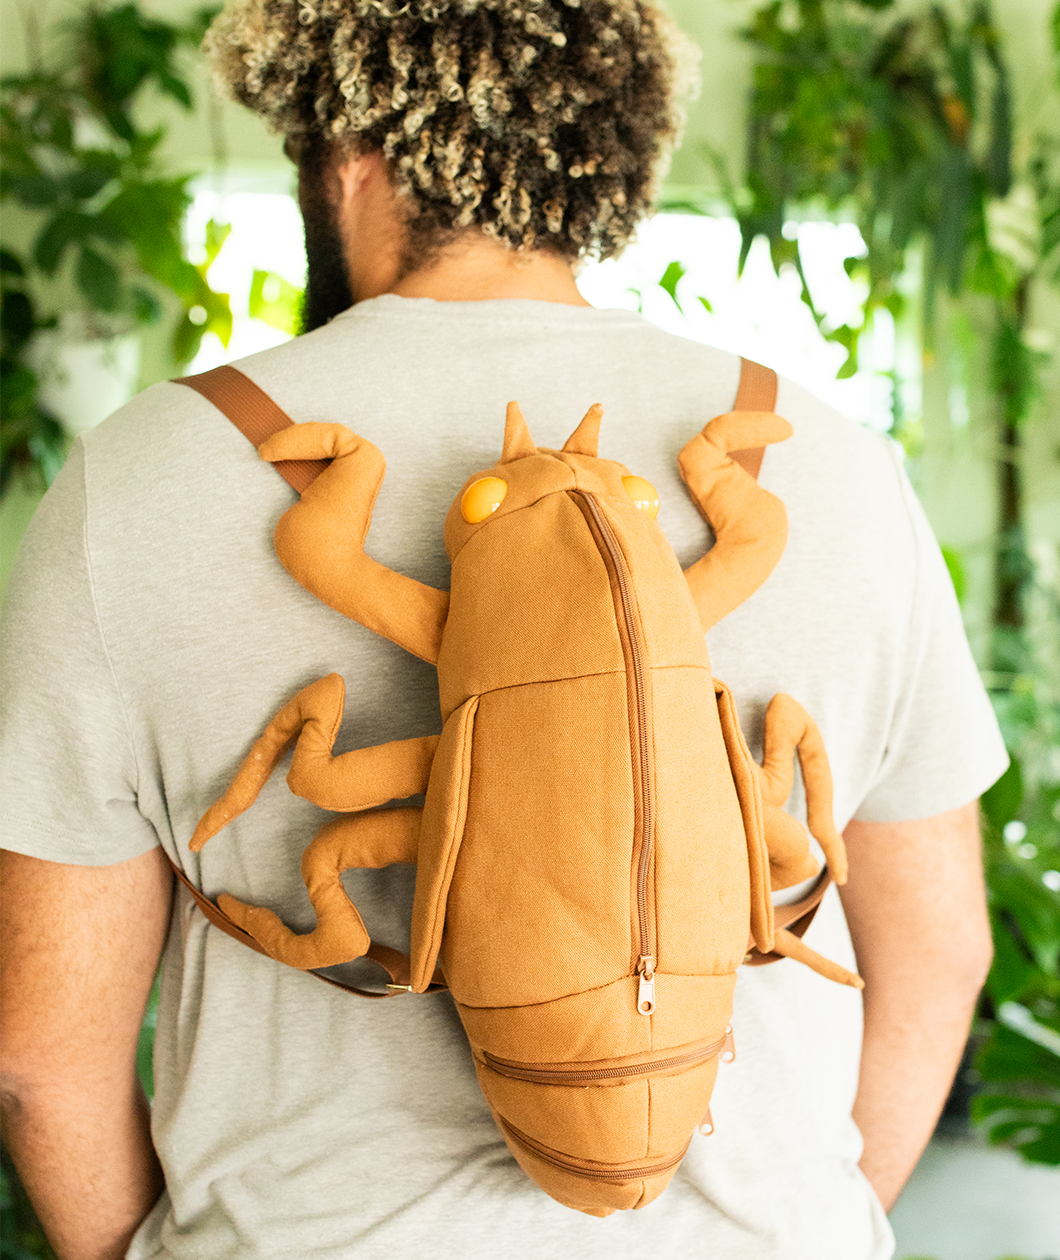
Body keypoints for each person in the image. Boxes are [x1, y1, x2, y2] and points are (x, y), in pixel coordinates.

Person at [0, 1, 1007, 1257]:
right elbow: (941, 957)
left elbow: (37, 1056)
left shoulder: (137, 478)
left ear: (345, 161)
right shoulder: (845, 467)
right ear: (618, 163)